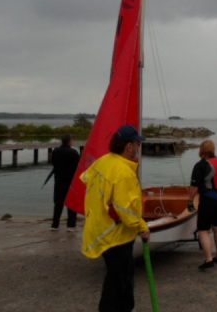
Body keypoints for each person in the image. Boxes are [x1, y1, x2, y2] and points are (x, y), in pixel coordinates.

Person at [81, 124, 150, 312]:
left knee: (124, 277)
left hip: (100, 229)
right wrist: (142, 227)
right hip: (115, 236)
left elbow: (86, 178)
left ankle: (127, 308)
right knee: (116, 283)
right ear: (129, 146)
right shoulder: (123, 171)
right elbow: (126, 209)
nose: (139, 148)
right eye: (137, 143)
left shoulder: (103, 161)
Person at [188, 139, 217, 270]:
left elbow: (194, 187)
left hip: (208, 199)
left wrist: (190, 201)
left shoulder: (200, 165)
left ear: (201, 151)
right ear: (213, 149)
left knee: (204, 230)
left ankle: (208, 259)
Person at [50, 134, 80, 231]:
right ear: (69, 142)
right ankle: (71, 225)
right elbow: (78, 166)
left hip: (58, 181)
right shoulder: (73, 153)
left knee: (58, 204)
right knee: (71, 203)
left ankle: (55, 224)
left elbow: (53, 163)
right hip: (70, 181)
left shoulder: (55, 151)